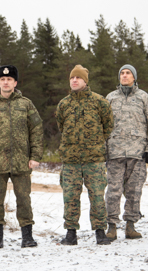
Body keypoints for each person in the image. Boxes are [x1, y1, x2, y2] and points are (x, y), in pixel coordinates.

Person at [0, 65, 43, 249]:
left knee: (24, 199)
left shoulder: (26, 104)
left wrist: (35, 155)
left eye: (9, 79)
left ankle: (27, 236)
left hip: (22, 160)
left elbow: (36, 129)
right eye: (2, 79)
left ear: (15, 82)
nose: (6, 82)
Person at [56, 65, 114, 246]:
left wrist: (95, 143)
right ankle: (71, 233)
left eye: (78, 78)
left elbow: (108, 126)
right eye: (72, 78)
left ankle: (100, 232)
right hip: (70, 160)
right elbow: (61, 126)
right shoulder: (64, 104)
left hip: (94, 159)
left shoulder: (99, 102)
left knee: (97, 196)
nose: (74, 80)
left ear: (85, 81)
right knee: (70, 197)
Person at [105, 64, 148, 241]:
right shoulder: (110, 98)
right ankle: (112, 226)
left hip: (138, 152)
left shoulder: (143, 97)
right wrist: (103, 149)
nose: (124, 76)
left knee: (134, 191)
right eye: (122, 73)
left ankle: (130, 225)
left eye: (128, 73)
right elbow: (103, 125)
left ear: (134, 77)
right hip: (115, 153)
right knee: (113, 191)